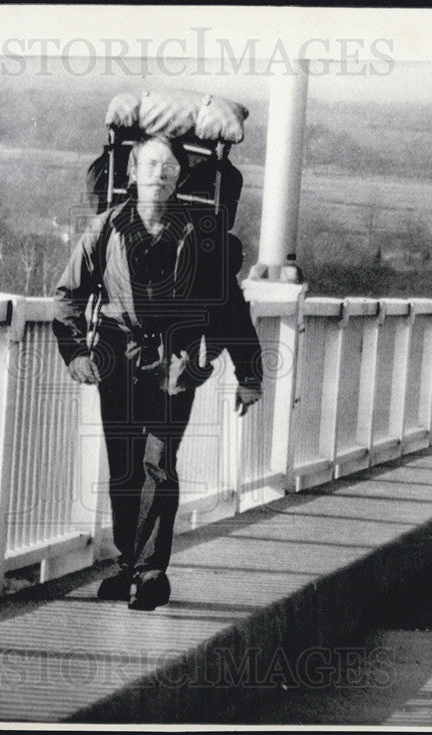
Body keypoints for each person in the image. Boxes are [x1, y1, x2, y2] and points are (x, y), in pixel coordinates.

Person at [52, 134, 263, 610]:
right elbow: (67, 295)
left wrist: (249, 374)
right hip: (115, 357)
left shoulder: (202, 235)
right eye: (150, 164)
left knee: (158, 461)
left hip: (176, 361)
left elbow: (229, 307)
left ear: (180, 176)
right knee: (125, 465)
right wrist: (74, 353)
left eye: (169, 166)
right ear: (130, 173)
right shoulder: (105, 228)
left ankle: (151, 573)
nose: (159, 173)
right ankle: (130, 564)